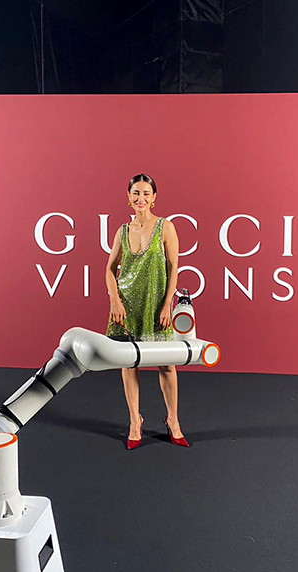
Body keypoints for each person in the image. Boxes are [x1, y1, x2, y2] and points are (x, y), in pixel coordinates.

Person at [105, 173, 189, 450]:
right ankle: (134, 421)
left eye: (145, 193)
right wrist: (115, 300)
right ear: (128, 197)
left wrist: (167, 304)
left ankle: (173, 420)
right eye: (136, 193)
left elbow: (174, 268)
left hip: (156, 304)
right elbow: (110, 269)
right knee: (129, 363)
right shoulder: (122, 231)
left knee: (167, 364)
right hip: (126, 306)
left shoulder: (166, 227)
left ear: (154, 198)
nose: (140, 198)